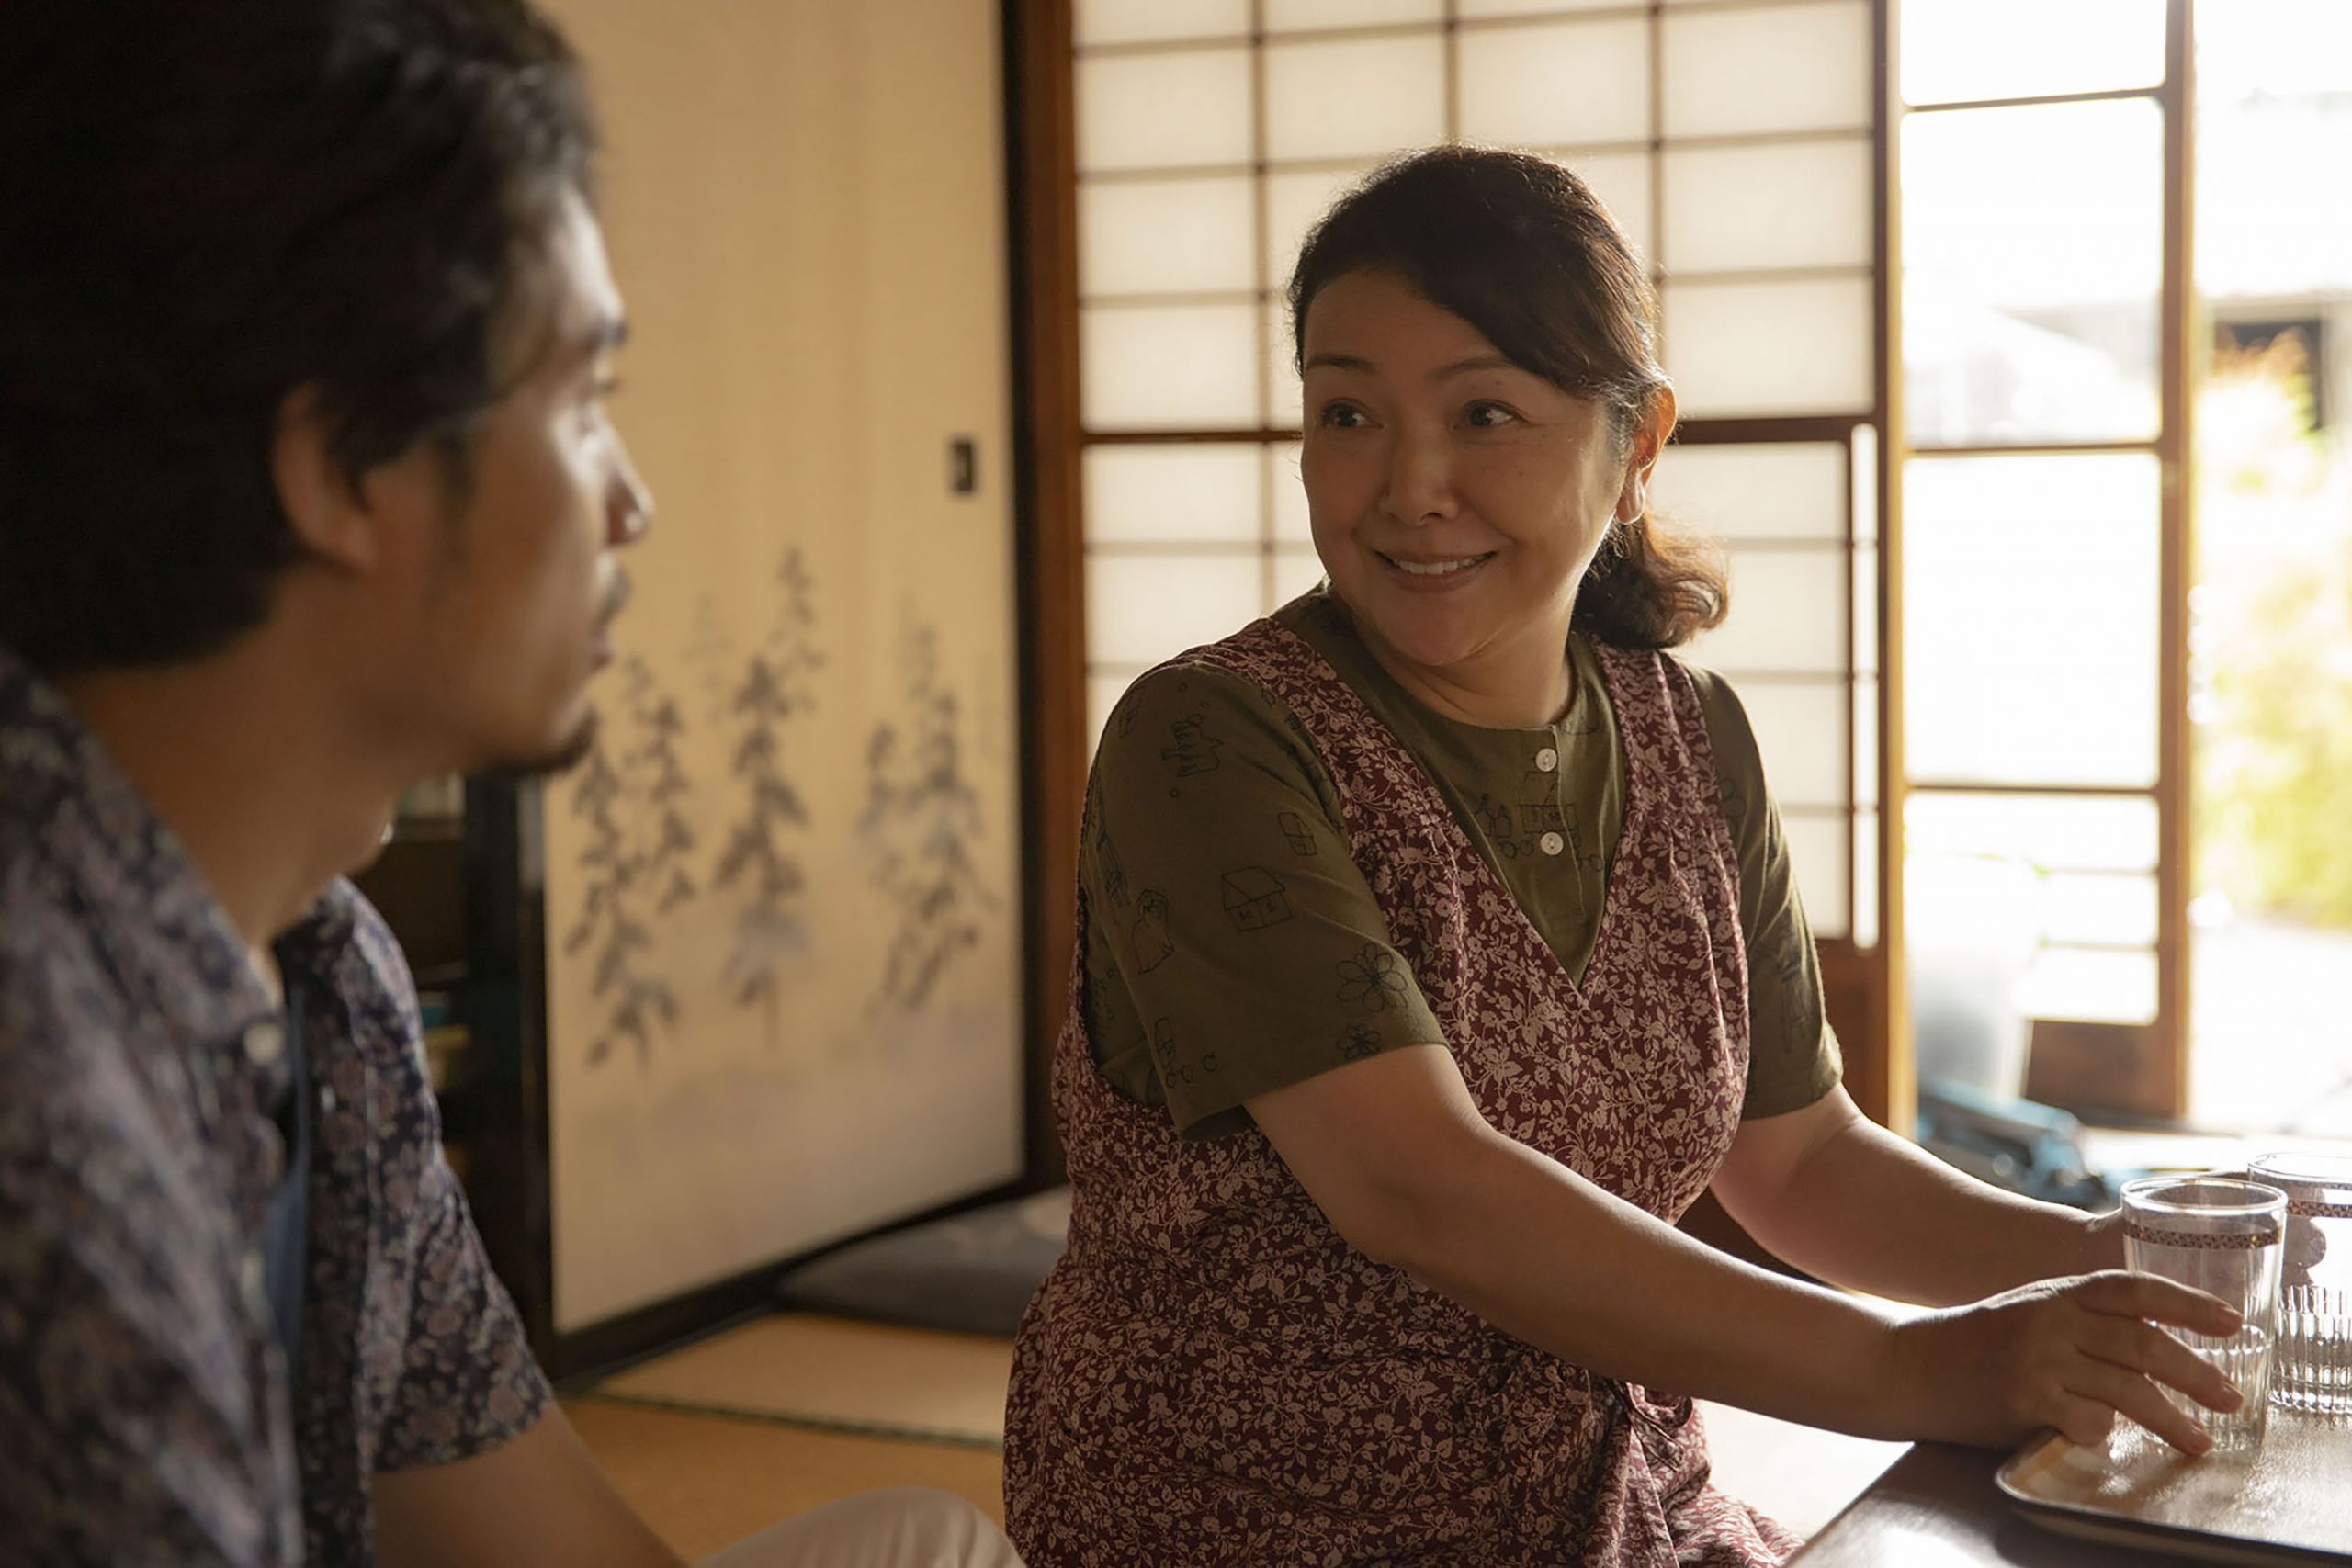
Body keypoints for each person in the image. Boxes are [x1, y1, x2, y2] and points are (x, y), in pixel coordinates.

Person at [1003, 145, 2244, 1566]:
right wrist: (1926, 1371)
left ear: (1636, 440)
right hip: (1253, 1529)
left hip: (1615, 1508)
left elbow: (1803, 1163)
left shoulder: (1685, 733)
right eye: (1348, 412)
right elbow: (1422, 1190)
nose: (1408, 487)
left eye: (1485, 414)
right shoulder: (1212, 740)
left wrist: (2146, 1272)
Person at [0, 3, 1021, 1565]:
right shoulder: (45, 1085)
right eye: (583, 400)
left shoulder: (325, 972)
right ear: (341, 467)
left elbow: (527, 1525)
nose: (631, 502)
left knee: (919, 1543)